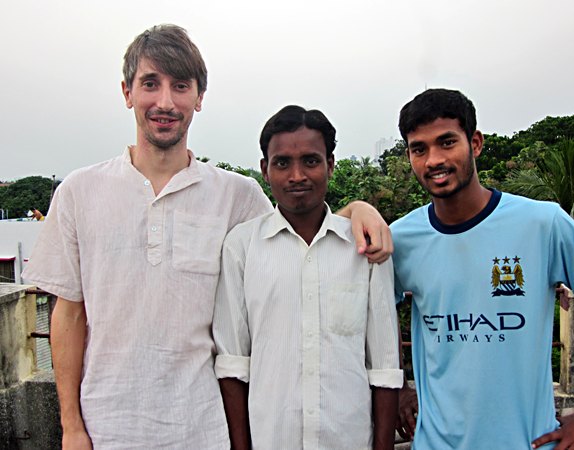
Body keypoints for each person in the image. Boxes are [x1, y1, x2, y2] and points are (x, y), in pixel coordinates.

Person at [22, 25, 392, 449]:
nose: (165, 102)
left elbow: (299, 238)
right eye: (150, 83)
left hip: (205, 429)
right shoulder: (79, 192)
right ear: (127, 92)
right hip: (107, 428)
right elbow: (68, 315)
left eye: (181, 86)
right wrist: (71, 425)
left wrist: (356, 210)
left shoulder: (237, 196)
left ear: (199, 97)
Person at [391, 88, 574, 449]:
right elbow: (375, 315)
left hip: (527, 441)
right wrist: (399, 388)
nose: (434, 160)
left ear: (475, 143)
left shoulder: (542, 223)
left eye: (447, 142)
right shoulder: (400, 238)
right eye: (419, 149)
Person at [212, 105, 403, 450]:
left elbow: (385, 366)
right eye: (282, 163)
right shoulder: (241, 248)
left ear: (330, 165)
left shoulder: (364, 247)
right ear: (265, 170)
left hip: (348, 440)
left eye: (311, 161)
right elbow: (233, 364)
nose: (297, 175)